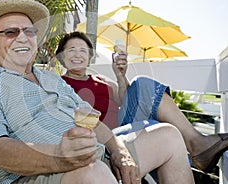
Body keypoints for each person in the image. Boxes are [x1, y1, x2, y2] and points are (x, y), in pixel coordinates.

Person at [0, 0, 195, 184]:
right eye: (11, 32)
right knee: (93, 173)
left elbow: (92, 120)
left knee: (169, 136)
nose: (23, 38)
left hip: (96, 156)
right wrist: (60, 157)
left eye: (29, 31)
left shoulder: (54, 80)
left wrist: (118, 151)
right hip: (42, 173)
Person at [55, 31, 228, 173]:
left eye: (83, 50)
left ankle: (196, 143)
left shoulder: (100, 79)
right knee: (154, 121)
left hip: (125, 124)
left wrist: (120, 76)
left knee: (140, 85)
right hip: (105, 138)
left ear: (89, 57)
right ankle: (196, 144)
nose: (78, 54)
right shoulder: (58, 84)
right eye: (71, 50)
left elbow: (125, 100)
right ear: (61, 57)